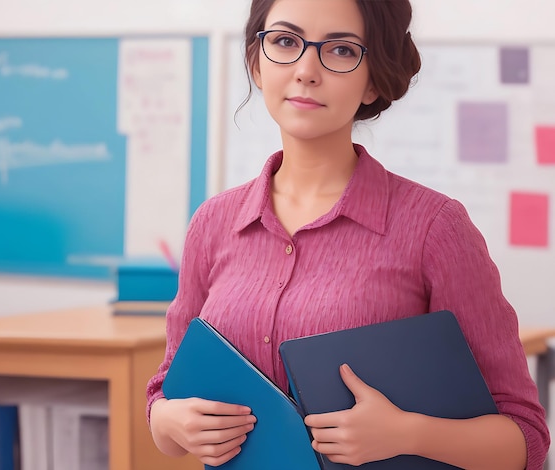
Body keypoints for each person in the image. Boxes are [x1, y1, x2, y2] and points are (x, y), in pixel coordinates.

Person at [146, 0, 550, 468]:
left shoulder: (435, 228)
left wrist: (408, 434)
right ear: (257, 62)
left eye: (340, 50)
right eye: (284, 42)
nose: (305, 70)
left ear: (374, 79)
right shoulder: (212, 223)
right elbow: (164, 397)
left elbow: (527, 437)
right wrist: (171, 422)